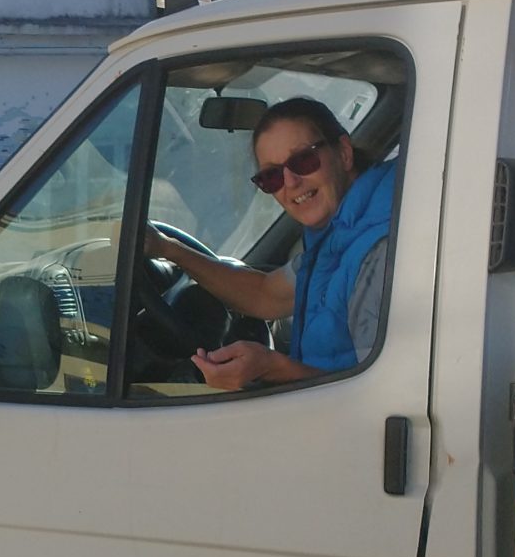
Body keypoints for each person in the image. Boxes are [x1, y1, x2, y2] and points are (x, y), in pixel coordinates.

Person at [145, 97, 396, 390]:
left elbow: (385, 396)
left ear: (343, 153)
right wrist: (168, 249)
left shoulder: (378, 250)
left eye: (303, 160)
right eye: (271, 176)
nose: (290, 183)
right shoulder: (339, 237)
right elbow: (265, 295)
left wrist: (274, 369)